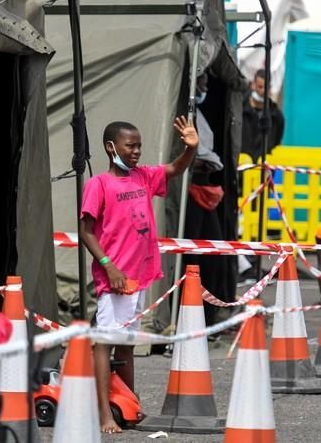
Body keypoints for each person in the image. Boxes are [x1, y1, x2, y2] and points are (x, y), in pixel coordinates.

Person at [79, 117, 198, 433]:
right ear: (110, 147)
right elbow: (86, 231)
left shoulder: (143, 177)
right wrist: (109, 266)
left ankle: (128, 405)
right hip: (115, 280)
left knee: (127, 343)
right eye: (130, 146)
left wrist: (191, 148)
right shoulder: (99, 184)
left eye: (139, 146)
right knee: (104, 342)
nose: (136, 152)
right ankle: (104, 413)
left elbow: (174, 169)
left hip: (139, 277)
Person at [185, 74, 230, 326]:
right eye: (201, 85)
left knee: (214, 253)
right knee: (192, 256)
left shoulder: (201, 117)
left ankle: (210, 314)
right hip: (191, 188)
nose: (205, 89)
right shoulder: (186, 118)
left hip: (206, 187)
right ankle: (192, 314)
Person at [241, 69, 285, 162]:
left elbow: (276, 141)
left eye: (266, 87)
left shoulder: (276, 116)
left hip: (263, 167)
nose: (263, 91)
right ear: (253, 85)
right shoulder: (241, 109)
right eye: (260, 87)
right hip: (242, 166)